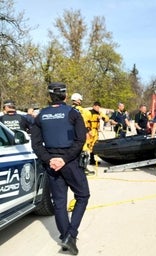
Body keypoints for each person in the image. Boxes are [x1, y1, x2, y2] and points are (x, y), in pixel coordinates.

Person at [30, 82, 89, 255]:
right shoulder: (73, 113)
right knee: (83, 195)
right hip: (69, 162)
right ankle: (71, 235)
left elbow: (35, 144)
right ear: (65, 95)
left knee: (60, 203)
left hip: (52, 164)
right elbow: (80, 140)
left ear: (49, 96)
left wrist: (50, 159)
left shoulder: (40, 116)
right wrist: (64, 159)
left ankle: (65, 237)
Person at [71, 93, 94, 175]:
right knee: (84, 152)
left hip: (71, 134)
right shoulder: (86, 112)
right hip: (82, 133)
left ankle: (75, 169)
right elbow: (87, 123)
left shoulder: (68, 110)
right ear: (78, 100)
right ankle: (83, 169)